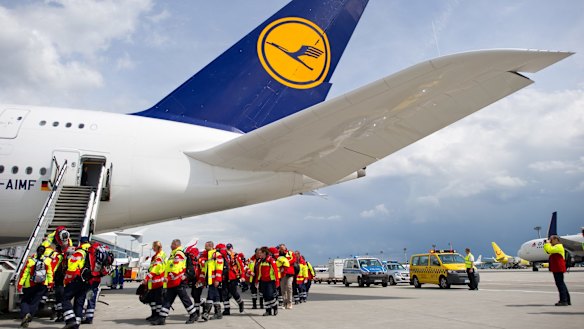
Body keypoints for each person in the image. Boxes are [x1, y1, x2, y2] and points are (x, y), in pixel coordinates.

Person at [151, 239, 198, 325]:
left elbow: (176, 268)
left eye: (172, 244)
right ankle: (162, 318)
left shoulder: (178, 253)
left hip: (178, 281)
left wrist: (168, 277)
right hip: (173, 282)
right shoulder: (173, 254)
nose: (170, 246)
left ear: (176, 244)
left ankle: (193, 314)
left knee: (185, 299)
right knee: (167, 300)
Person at [18, 245, 53, 328]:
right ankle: (30, 316)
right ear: (44, 252)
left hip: (30, 284)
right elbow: (50, 273)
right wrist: (50, 283)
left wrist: (20, 284)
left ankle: (26, 313)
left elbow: (25, 273)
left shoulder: (30, 261)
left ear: (36, 251)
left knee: (25, 300)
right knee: (35, 301)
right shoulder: (47, 260)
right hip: (42, 284)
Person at [62, 236, 91, 329]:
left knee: (65, 298)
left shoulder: (80, 252)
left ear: (80, 243)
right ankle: (76, 324)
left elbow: (72, 268)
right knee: (79, 302)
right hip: (87, 281)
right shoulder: (91, 252)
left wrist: (67, 280)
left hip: (76, 280)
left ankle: (70, 320)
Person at [200, 241, 224, 321]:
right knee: (216, 296)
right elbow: (205, 270)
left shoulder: (216, 255)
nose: (204, 248)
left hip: (214, 280)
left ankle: (206, 313)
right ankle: (218, 313)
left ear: (210, 246)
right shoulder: (208, 256)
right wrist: (203, 279)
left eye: (206, 246)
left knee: (210, 296)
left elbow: (219, 268)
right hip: (210, 280)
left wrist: (217, 279)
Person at [544, 235, 571, 306]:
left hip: (558, 268)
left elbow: (550, 250)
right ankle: (567, 300)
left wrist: (547, 243)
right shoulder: (556, 247)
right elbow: (548, 251)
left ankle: (563, 300)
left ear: (556, 240)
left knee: (560, 284)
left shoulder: (558, 246)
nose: (550, 241)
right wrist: (547, 245)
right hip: (557, 268)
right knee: (561, 283)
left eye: (551, 240)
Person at [144, 241, 166, 322]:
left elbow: (155, 269)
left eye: (153, 246)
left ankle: (158, 315)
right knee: (152, 300)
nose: (152, 248)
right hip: (153, 282)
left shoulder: (159, 256)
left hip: (158, 282)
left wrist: (147, 278)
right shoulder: (155, 256)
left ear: (157, 247)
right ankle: (154, 314)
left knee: (158, 300)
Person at [220, 243, 245, 315]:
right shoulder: (223, 256)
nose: (228, 250)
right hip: (224, 277)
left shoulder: (235, 256)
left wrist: (242, 276)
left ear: (232, 248)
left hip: (233, 277)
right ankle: (226, 309)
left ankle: (240, 303)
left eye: (229, 248)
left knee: (234, 292)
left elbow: (241, 267)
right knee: (224, 294)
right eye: (227, 248)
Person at [254, 247, 279, 316]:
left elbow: (275, 271)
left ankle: (275, 307)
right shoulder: (260, 261)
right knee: (265, 296)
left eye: (260, 253)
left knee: (270, 295)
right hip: (262, 281)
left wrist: (277, 281)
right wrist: (257, 281)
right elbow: (259, 272)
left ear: (264, 253)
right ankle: (268, 311)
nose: (259, 254)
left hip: (270, 281)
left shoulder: (271, 260)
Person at [278, 244, 295, 309]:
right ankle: (284, 303)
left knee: (289, 287)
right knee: (283, 289)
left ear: (285, 248)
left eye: (283, 248)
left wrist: (285, 262)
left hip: (290, 273)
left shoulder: (290, 253)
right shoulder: (278, 255)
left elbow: (293, 259)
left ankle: (289, 303)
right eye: (280, 248)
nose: (282, 249)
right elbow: (277, 262)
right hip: (282, 274)